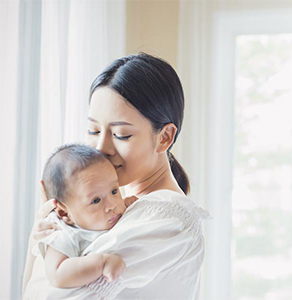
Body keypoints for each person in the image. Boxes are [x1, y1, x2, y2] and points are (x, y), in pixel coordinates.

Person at [23, 53, 210, 300]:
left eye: (121, 135)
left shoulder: (165, 219)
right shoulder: (109, 210)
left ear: (164, 137)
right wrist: (37, 239)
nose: (101, 148)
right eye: (94, 130)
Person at [24, 143, 137, 298]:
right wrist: (101, 263)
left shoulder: (105, 214)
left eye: (114, 191)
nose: (112, 205)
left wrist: (126, 204)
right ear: (65, 213)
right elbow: (57, 274)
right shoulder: (62, 231)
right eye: (96, 200)